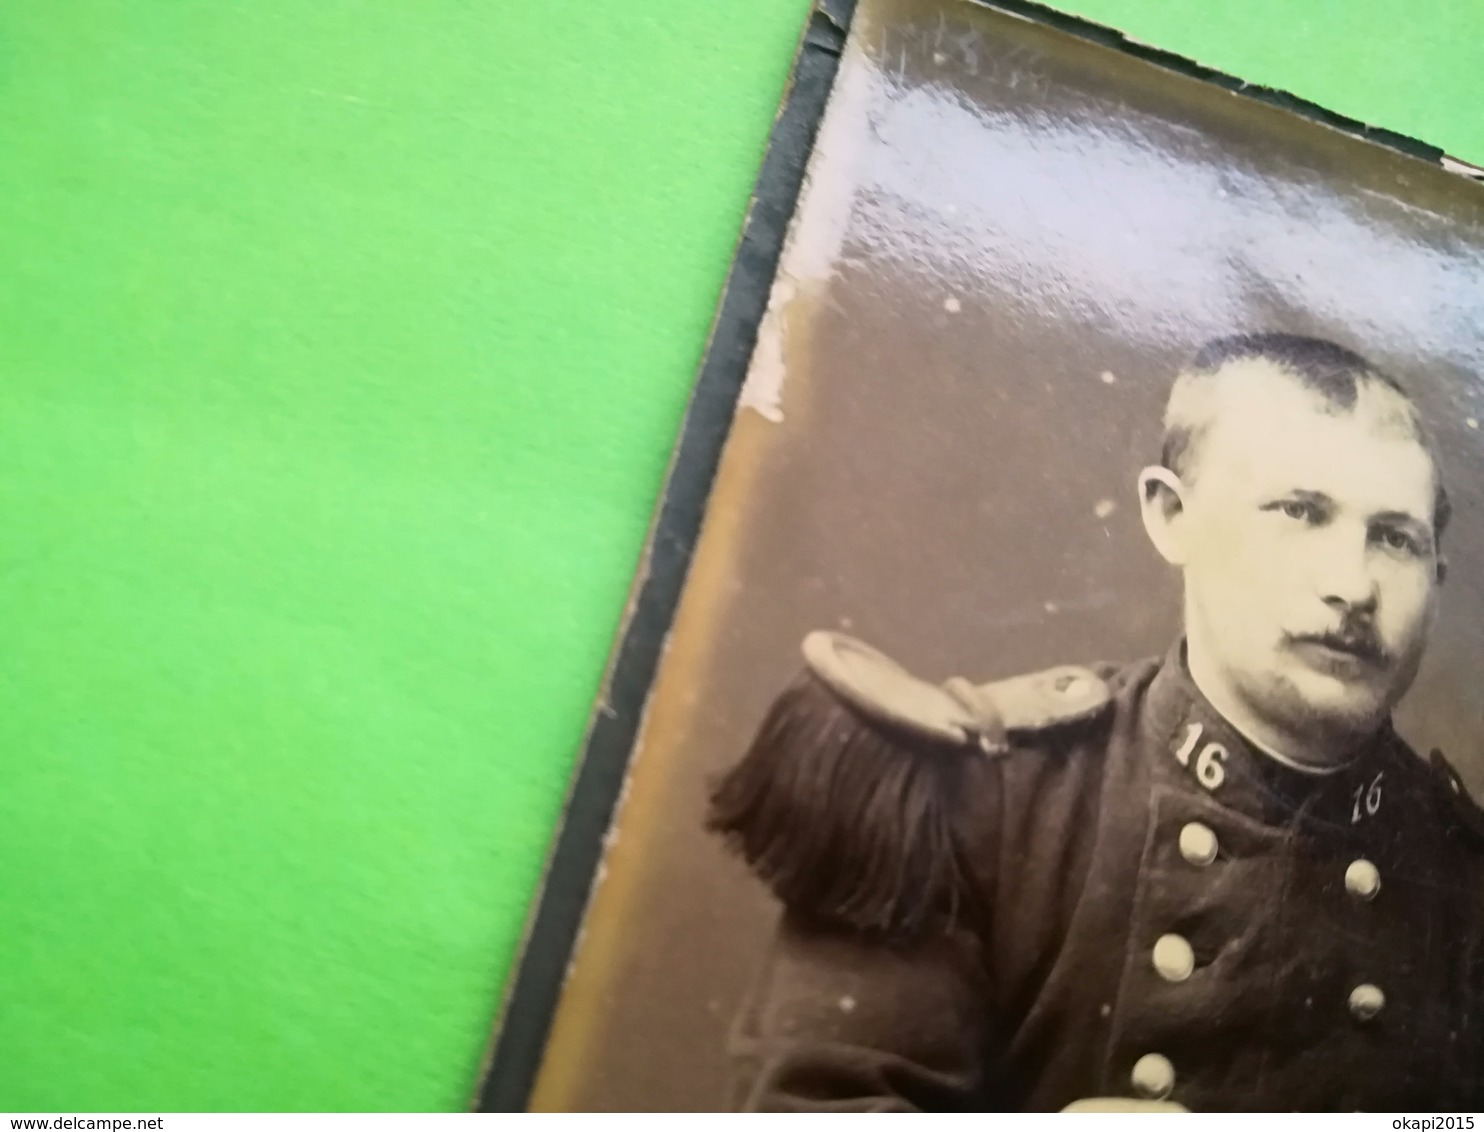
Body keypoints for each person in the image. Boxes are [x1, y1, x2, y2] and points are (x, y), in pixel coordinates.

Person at [707, 333, 1484, 1112]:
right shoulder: (989, 800)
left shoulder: (1464, 880)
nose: (1352, 585)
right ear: (1171, 516)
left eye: (1394, 538)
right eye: (1298, 511)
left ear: (1437, 580)